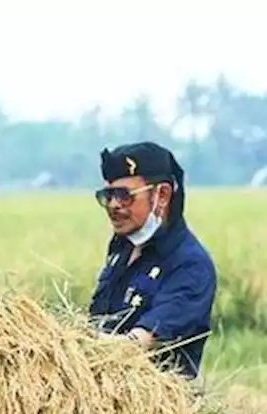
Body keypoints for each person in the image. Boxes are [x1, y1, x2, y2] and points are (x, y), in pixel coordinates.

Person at [88, 141, 217, 381]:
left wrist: (73, 345)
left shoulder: (191, 264)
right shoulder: (122, 249)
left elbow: (138, 344)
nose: (114, 205)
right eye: (108, 195)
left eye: (124, 196)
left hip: (155, 408)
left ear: (163, 195)